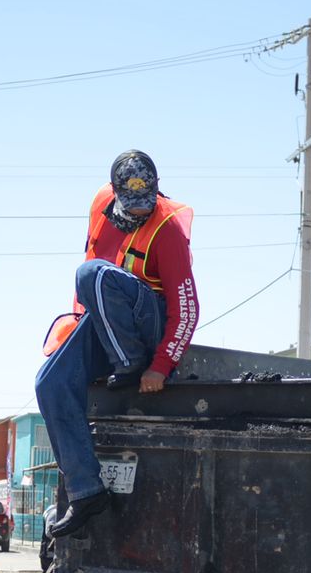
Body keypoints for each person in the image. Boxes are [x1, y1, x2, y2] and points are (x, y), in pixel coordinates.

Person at [36, 150, 199, 539]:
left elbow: (187, 309)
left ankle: (128, 362)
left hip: (148, 326)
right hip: (107, 320)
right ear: (115, 193)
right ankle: (86, 491)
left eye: (147, 201)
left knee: (91, 275)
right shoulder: (100, 204)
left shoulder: (167, 229)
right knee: (50, 383)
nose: (142, 210)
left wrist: (159, 366)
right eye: (133, 203)